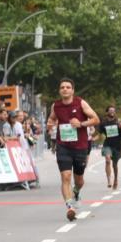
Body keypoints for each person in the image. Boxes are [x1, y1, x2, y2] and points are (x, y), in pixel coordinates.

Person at [46, 78, 100, 221]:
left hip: (80, 147)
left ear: (72, 90)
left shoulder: (80, 103)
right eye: (62, 87)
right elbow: (51, 119)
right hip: (63, 146)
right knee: (65, 177)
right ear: (59, 90)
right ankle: (70, 206)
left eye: (68, 87)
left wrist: (81, 123)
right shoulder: (56, 106)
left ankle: (76, 192)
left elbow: (96, 119)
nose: (65, 89)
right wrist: (50, 124)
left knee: (79, 180)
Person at [96, 106, 121, 190]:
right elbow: (99, 133)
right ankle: (109, 180)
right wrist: (93, 138)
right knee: (107, 160)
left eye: (113, 110)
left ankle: (115, 179)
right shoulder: (103, 122)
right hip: (107, 145)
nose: (112, 112)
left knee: (115, 165)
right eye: (110, 110)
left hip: (117, 145)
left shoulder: (118, 121)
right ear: (107, 112)